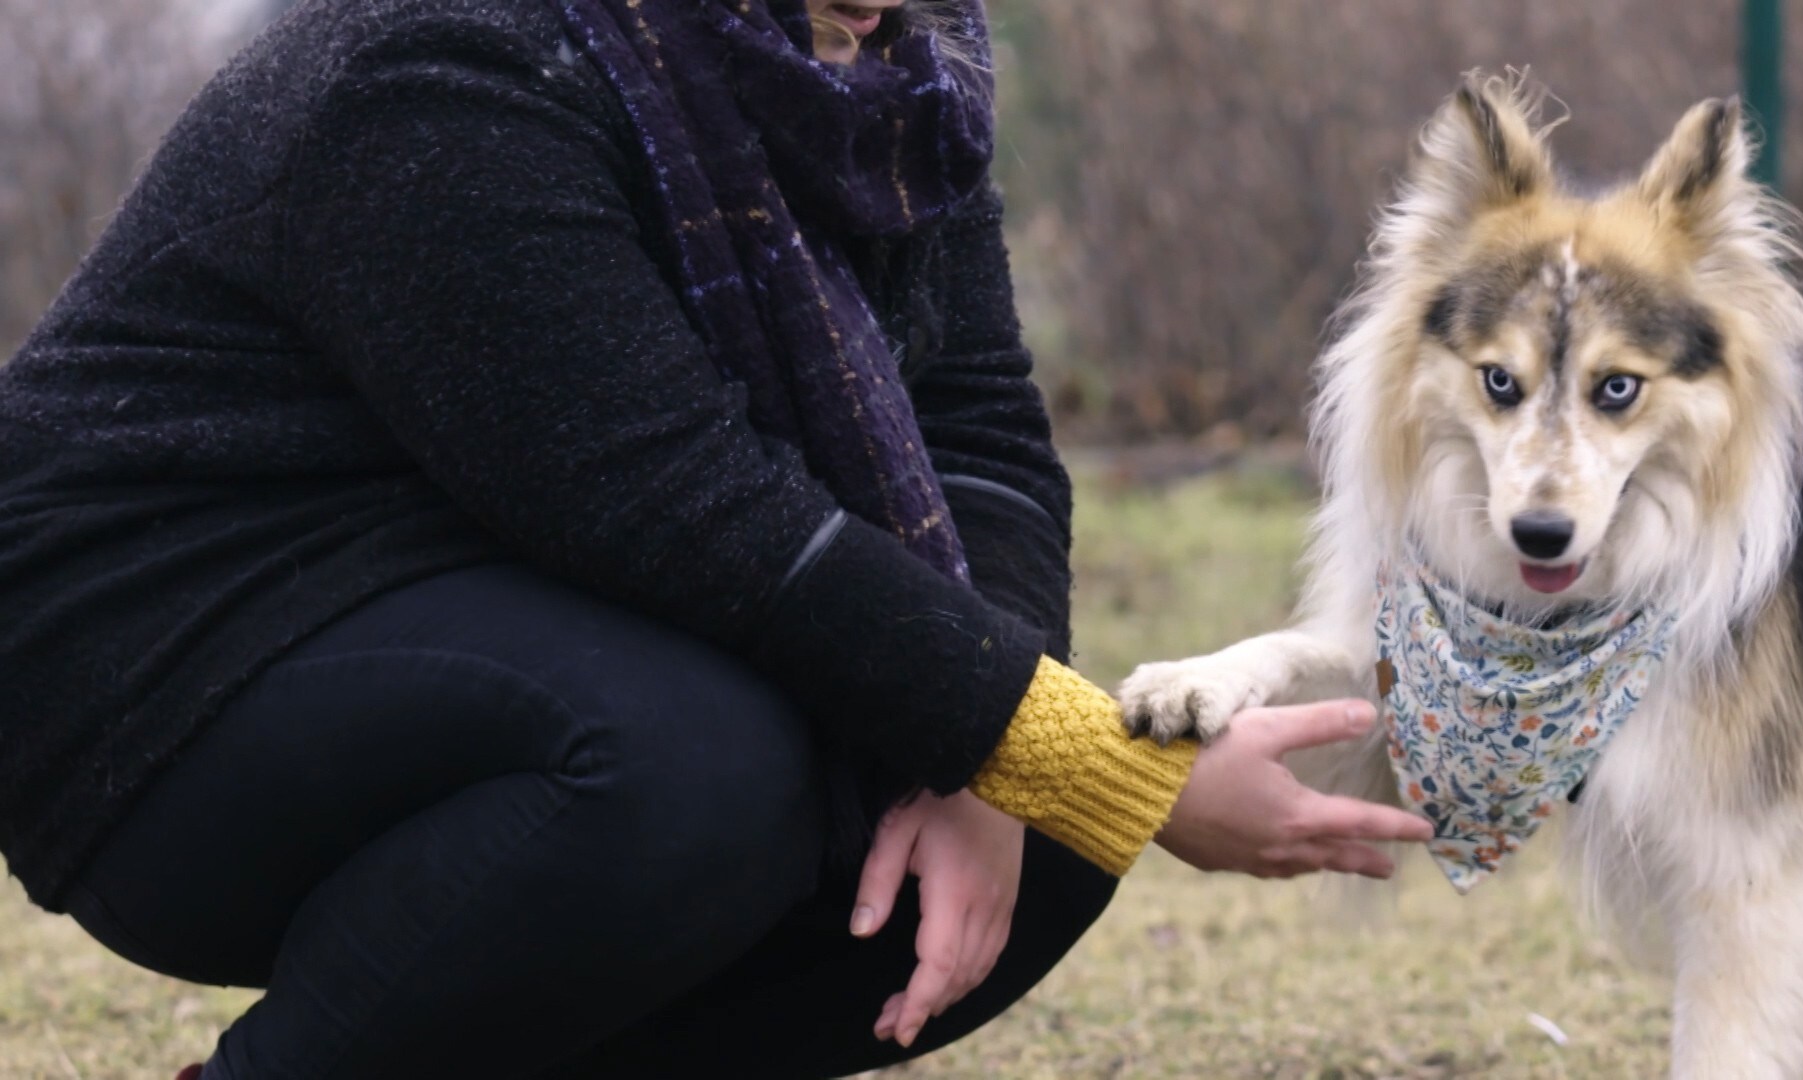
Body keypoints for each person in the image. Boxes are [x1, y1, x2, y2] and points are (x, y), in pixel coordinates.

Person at [0, 0, 1433, 1076]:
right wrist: (1106, 768)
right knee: (688, 767)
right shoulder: (444, 72)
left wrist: (998, 762)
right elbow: (686, 508)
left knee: (1030, 841)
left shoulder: (882, 72)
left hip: (490, 587)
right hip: (159, 674)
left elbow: (982, 429)